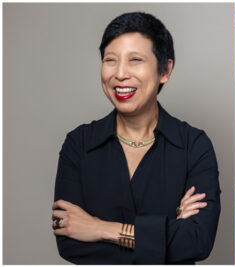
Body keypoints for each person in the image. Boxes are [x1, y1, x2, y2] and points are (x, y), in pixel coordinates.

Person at [52, 12, 220, 264]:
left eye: (135, 60)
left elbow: (197, 241)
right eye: (110, 60)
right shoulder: (78, 143)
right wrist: (166, 232)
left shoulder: (194, 145)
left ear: (165, 70)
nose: (120, 73)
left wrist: (99, 229)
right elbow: (69, 243)